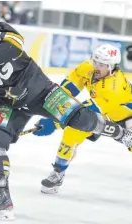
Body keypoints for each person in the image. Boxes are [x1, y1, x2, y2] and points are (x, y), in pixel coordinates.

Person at [0, 5, 132, 220]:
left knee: (81, 120)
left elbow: (14, 46)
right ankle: (2, 199)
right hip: (10, 103)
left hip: (41, 92)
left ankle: (122, 134)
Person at [32, 44, 132, 194]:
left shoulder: (113, 88)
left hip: (126, 117)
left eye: (102, 64)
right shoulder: (87, 68)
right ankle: (58, 173)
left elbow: (81, 113)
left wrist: (53, 123)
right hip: (103, 113)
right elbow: (64, 93)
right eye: (95, 61)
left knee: (78, 120)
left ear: (112, 67)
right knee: (72, 131)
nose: (96, 66)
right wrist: (52, 113)